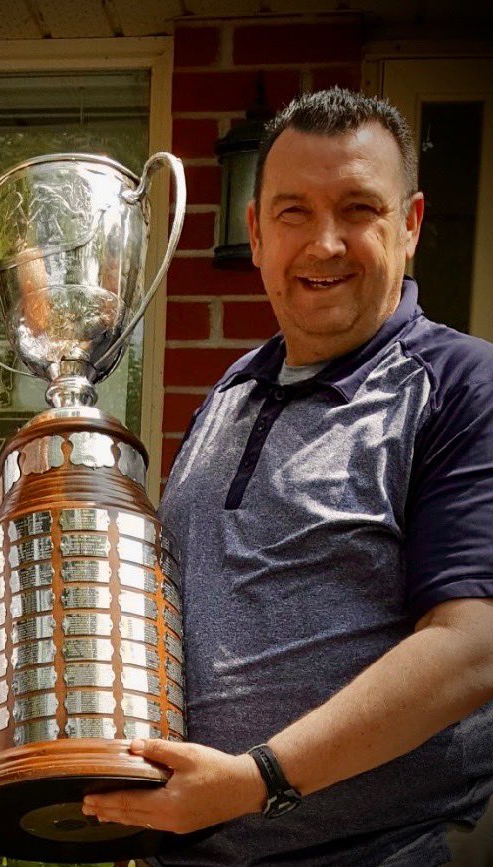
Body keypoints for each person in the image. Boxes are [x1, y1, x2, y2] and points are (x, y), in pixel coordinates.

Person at [82, 88, 493, 865]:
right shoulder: (232, 390)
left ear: (409, 224)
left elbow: (473, 648)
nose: (324, 243)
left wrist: (257, 778)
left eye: (358, 209)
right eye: (294, 212)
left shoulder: (464, 386)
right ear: (257, 231)